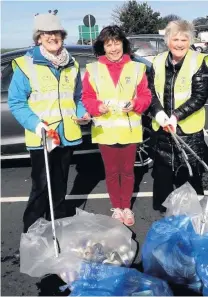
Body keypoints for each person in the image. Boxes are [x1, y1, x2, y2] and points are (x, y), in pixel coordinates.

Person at [8, 12, 90, 233]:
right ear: (39, 38)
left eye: (57, 33)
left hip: (67, 134)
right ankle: (32, 232)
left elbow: (77, 97)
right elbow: (16, 102)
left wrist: (83, 113)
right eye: (47, 34)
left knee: (60, 183)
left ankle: (58, 225)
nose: (53, 37)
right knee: (41, 187)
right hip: (42, 136)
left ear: (62, 36)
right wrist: (36, 124)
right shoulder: (25, 65)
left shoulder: (71, 64)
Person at [82, 25, 151, 226]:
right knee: (111, 172)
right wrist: (96, 106)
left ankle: (126, 207)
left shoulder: (137, 68)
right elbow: (87, 96)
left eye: (117, 43)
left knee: (128, 171)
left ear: (124, 44)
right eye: (108, 44)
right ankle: (117, 208)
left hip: (129, 129)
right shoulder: (93, 69)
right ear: (102, 47)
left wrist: (136, 104)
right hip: (105, 131)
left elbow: (146, 96)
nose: (113, 48)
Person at [148, 20, 208, 213]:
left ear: (190, 40)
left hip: (187, 131)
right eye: (175, 39)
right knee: (162, 174)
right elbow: (150, 91)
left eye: (184, 39)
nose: (180, 43)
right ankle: (164, 212)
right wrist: (158, 113)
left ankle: (191, 213)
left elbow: (200, 96)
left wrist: (175, 116)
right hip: (162, 129)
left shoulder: (197, 61)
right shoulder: (158, 62)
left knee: (189, 174)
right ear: (167, 40)